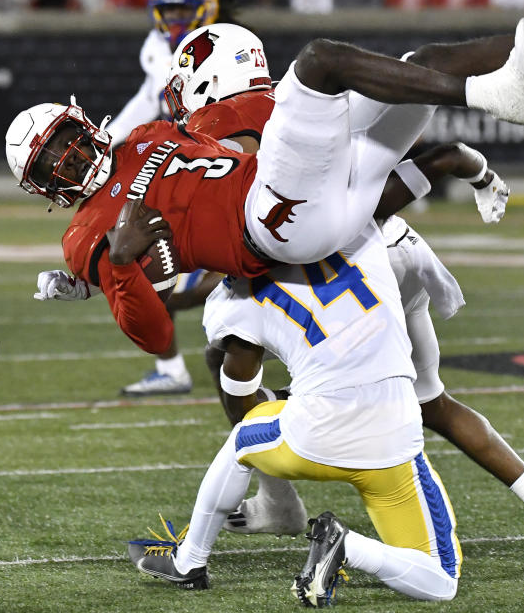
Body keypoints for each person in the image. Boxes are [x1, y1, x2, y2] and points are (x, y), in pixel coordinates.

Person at [163, 22, 524, 569]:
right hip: (389, 246)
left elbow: (242, 248)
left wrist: (143, 278)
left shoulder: (242, 130)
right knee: (430, 402)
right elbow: (442, 156)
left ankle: (276, 499)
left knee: (231, 350)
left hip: (336, 256)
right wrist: (482, 175)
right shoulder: (302, 109)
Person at [6, 17, 524, 360]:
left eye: (67, 142)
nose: (69, 158)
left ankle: (275, 484)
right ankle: (519, 73)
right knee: (421, 63)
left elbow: (223, 215)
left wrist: (110, 274)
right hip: (373, 223)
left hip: (309, 242)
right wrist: (101, 274)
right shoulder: (230, 115)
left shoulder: (198, 126)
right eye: (52, 159)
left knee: (231, 354)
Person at [128, 220, 462, 605]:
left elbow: (239, 394)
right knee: (440, 580)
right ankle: (348, 546)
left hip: (314, 436)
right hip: (396, 434)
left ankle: (189, 562)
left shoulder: (233, 299)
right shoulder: (359, 234)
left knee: (242, 438)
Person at [104, 0, 220, 397]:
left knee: (164, 275)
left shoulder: (220, 45)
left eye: (183, 10)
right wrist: (110, 140)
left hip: (219, 163)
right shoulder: (156, 48)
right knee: (142, 267)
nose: (174, 19)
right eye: (167, 10)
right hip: (182, 167)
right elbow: (148, 99)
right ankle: (171, 368)